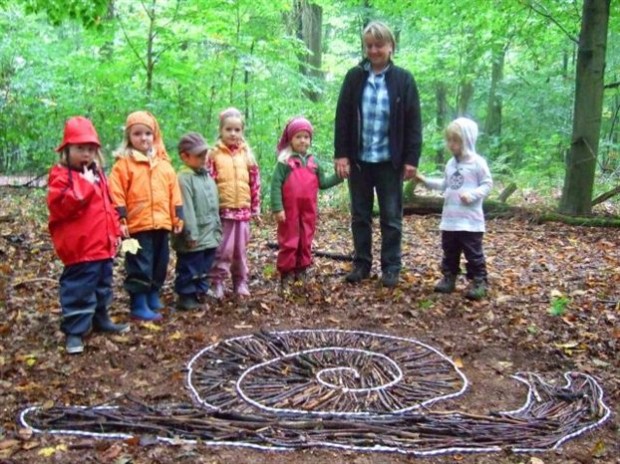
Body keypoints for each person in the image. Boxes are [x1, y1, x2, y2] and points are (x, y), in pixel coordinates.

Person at [334, 20, 422, 288]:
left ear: (391, 46)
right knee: (360, 216)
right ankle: (361, 264)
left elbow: (414, 122)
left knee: (391, 218)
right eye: (369, 45)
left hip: (389, 161)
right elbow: (343, 117)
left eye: (379, 45)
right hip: (360, 161)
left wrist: (411, 159)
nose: (373, 50)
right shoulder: (354, 77)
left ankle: (391, 267)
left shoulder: (403, 80)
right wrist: (342, 154)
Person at [47, 116, 129, 354]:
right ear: (67, 150)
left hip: (101, 245)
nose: (86, 154)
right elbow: (61, 207)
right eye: (80, 148)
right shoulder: (61, 176)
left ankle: (100, 319)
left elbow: (107, 204)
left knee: (103, 285)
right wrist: (84, 185)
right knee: (79, 289)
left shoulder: (97, 174)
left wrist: (115, 230)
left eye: (90, 149)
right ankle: (75, 330)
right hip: (80, 248)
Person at [109, 111, 184, 321]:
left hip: (161, 223)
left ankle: (152, 294)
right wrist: (121, 220)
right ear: (129, 137)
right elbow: (116, 194)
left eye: (148, 133)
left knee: (160, 262)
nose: (143, 138)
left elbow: (174, 194)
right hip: (135, 226)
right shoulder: (123, 165)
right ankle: (138, 302)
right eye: (137, 134)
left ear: (155, 135)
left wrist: (177, 218)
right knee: (137, 263)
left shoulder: (164, 165)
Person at [415, 117, 493, 300]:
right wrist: (425, 181)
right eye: (449, 140)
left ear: (467, 140)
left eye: (455, 140)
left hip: (470, 222)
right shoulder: (451, 164)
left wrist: (472, 195)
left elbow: (487, 184)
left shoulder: (477, 163)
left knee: (473, 254)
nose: (451, 144)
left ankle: (479, 281)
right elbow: (445, 184)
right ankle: (449, 277)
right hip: (450, 220)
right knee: (449, 251)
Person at [271, 117, 343, 287]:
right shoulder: (284, 162)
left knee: (306, 238)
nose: (303, 140)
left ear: (310, 140)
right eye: (298, 137)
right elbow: (275, 185)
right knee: (289, 239)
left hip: (308, 210)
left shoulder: (314, 162)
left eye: (306, 137)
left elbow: (323, 183)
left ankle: (301, 268)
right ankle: (286, 272)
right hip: (289, 210)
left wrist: (339, 177)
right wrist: (278, 208)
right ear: (291, 139)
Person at [207, 107, 261, 298]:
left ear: (242, 131)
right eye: (228, 129)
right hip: (223, 212)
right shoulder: (214, 155)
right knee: (223, 250)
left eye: (237, 130)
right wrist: (210, 210)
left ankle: (240, 282)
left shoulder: (247, 155)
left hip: (243, 212)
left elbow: (255, 183)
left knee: (240, 250)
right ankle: (217, 282)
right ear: (221, 130)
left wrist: (255, 207)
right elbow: (209, 183)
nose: (233, 133)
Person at [172, 133, 222, 310]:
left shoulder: (207, 176)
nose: (204, 158)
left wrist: (217, 228)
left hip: (209, 232)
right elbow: (186, 208)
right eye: (199, 155)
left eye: (205, 154)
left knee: (205, 265)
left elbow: (213, 204)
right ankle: (186, 296)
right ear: (185, 156)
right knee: (190, 266)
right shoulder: (183, 178)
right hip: (194, 234)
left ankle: (200, 291)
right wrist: (190, 233)